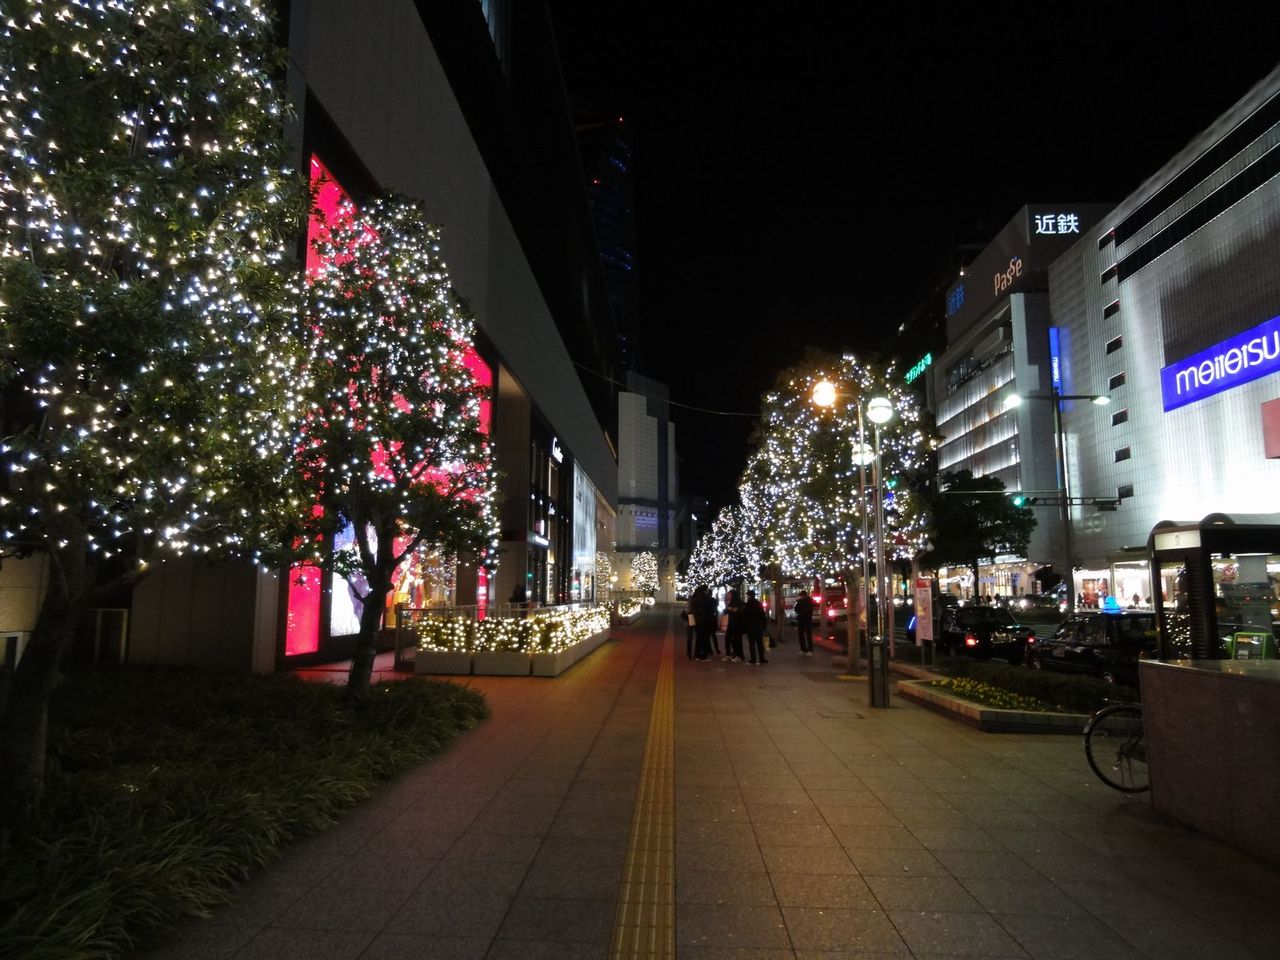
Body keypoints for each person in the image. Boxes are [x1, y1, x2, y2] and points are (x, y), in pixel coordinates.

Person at [743, 590, 768, 664]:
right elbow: (763, 615)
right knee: (759, 643)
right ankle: (762, 658)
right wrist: (764, 625)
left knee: (752, 644)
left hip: (750, 626)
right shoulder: (758, 603)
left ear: (749, 596)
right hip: (759, 626)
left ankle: (753, 659)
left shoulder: (748, 604)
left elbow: (745, 616)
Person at [723, 589, 744, 662]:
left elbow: (740, 612)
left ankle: (739, 655)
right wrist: (727, 605)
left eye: (729, 595)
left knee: (737, 640)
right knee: (727, 638)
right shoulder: (730, 603)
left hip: (738, 624)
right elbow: (725, 612)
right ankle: (728, 654)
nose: (728, 596)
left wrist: (733, 609)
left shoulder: (739, 603)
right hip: (731, 623)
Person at [793, 589, 815, 656]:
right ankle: (803, 649)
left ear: (805, 595)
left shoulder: (809, 601)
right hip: (800, 620)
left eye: (802, 595)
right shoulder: (799, 601)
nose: (801, 597)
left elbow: (808, 610)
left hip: (807, 620)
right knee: (801, 635)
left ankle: (810, 650)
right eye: (801, 596)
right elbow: (796, 609)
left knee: (808, 636)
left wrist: (802, 611)